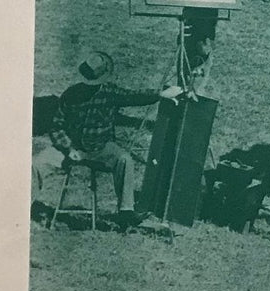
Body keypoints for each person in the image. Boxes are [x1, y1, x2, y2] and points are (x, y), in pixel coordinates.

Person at [49, 52, 182, 227]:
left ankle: (126, 212)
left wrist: (161, 95)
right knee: (38, 163)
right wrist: (68, 148)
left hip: (102, 149)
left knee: (124, 159)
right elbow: (56, 126)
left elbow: (134, 96)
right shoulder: (71, 94)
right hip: (71, 150)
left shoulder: (110, 92)